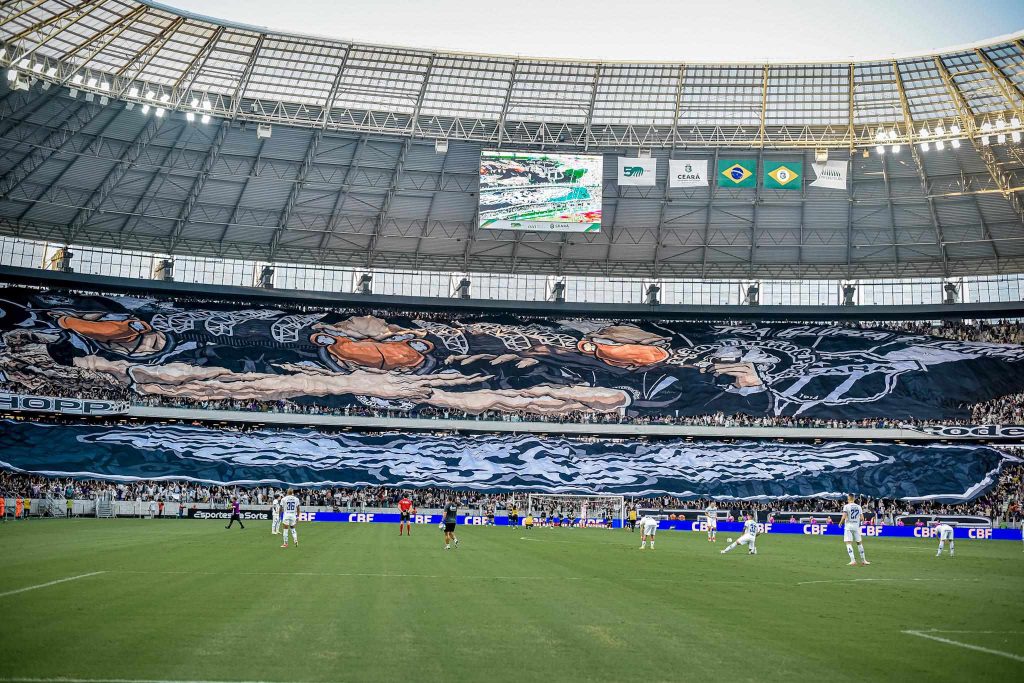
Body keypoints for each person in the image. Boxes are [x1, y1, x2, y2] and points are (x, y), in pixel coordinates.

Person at [839, 494, 870, 566]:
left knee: (848, 543)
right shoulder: (859, 507)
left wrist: (840, 523)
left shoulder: (846, 506)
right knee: (859, 543)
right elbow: (862, 518)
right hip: (856, 526)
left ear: (849, 498)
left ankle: (853, 560)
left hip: (848, 527)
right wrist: (856, 520)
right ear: (854, 499)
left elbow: (844, 516)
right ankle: (864, 560)